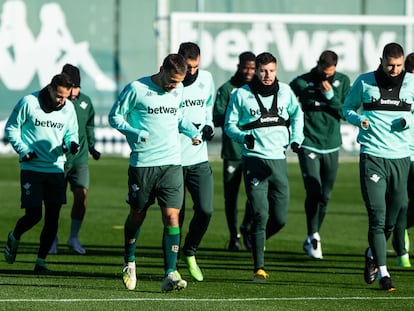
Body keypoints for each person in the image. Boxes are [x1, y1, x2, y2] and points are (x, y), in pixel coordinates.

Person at [108, 53, 202, 292]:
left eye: (178, 83)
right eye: (171, 81)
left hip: (171, 163)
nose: (173, 87)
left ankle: (170, 273)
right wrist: (133, 131)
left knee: (172, 217)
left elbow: (178, 116)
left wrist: (192, 130)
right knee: (137, 215)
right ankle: (129, 261)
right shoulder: (137, 89)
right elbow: (115, 117)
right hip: (143, 165)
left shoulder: (178, 90)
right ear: (162, 69)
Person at [224, 52, 304, 282]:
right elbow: (229, 125)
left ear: (276, 70)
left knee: (279, 219)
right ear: (256, 71)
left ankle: (255, 238)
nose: (267, 75)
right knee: (260, 213)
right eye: (263, 71)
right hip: (253, 160)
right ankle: (259, 266)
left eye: (271, 71)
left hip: (278, 161)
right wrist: (242, 137)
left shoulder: (286, 92)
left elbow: (298, 116)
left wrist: (297, 138)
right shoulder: (241, 94)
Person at [343, 42, 414, 291]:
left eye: (398, 65)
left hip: (401, 158)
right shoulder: (364, 81)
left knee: (395, 216)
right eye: (389, 64)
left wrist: (408, 120)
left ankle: (372, 253)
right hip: (372, 156)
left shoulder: (411, 83)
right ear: (381, 60)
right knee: (377, 216)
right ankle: (384, 274)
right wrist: (359, 118)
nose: (394, 69)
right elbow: (346, 109)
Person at [4, 73, 79, 273]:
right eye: (59, 96)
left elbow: (72, 132)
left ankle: (40, 261)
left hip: (56, 168)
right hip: (32, 168)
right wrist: (24, 150)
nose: (62, 101)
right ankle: (15, 236)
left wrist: (72, 143)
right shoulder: (29, 102)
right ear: (50, 89)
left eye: (66, 97)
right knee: (34, 214)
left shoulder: (69, 108)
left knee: (53, 217)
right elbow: (11, 128)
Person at [289, 50, 351, 259]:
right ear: (318, 66)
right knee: (314, 191)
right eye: (324, 72)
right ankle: (313, 235)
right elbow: (286, 105)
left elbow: (344, 112)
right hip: (309, 144)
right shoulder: (301, 82)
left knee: (325, 195)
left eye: (331, 73)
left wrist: (330, 96)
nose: (327, 77)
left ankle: (313, 234)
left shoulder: (343, 81)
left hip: (332, 146)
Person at [48, 64, 101, 255]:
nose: (73, 92)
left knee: (82, 196)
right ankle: (51, 237)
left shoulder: (85, 102)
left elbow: (89, 126)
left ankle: (73, 237)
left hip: (80, 158)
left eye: (76, 87)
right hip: (57, 159)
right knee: (55, 201)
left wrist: (92, 146)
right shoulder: (55, 102)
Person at [176, 42, 215, 282]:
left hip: (199, 159)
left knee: (206, 210)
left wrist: (208, 125)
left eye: (196, 66)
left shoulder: (207, 79)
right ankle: (172, 265)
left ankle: (189, 251)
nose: (192, 71)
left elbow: (207, 106)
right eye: (189, 66)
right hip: (173, 159)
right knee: (174, 216)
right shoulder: (170, 83)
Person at [213, 51, 256, 251]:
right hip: (232, 152)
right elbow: (216, 117)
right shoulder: (226, 90)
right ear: (239, 66)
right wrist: (238, 116)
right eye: (246, 67)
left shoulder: (257, 90)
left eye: (253, 68)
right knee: (231, 197)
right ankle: (234, 236)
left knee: (254, 194)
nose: (249, 72)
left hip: (254, 151)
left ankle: (246, 227)